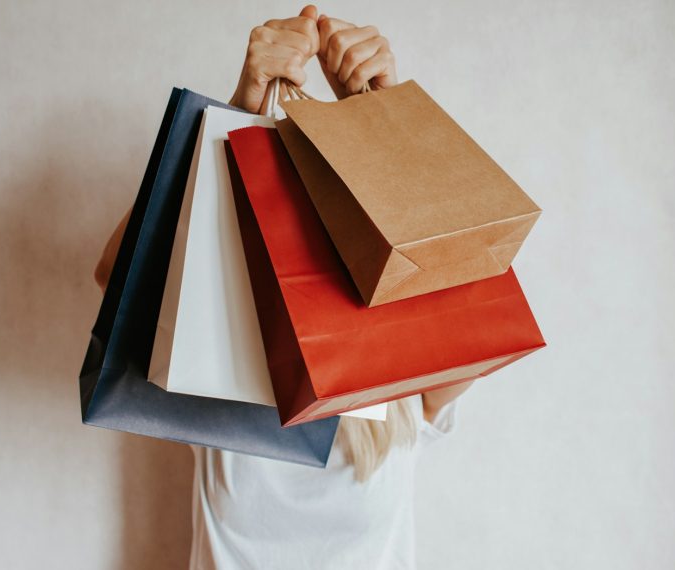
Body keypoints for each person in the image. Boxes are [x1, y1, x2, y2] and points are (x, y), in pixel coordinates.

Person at [95, 6, 476, 568]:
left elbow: (472, 307)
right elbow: (117, 279)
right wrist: (237, 113)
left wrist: (386, 120)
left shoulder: (400, 372)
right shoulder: (216, 357)